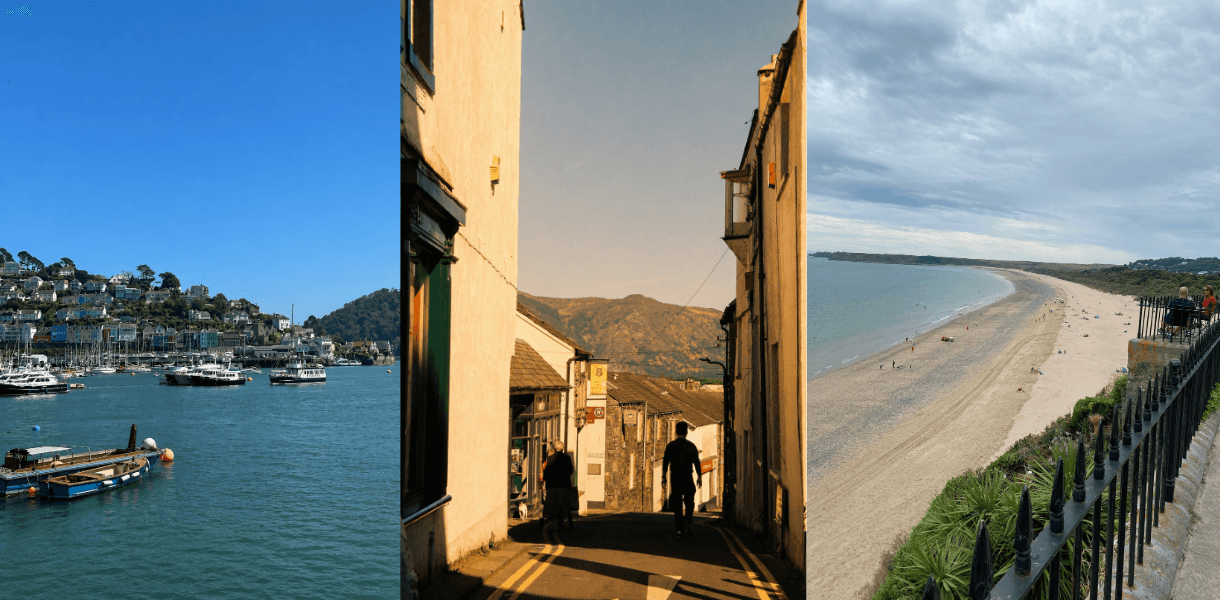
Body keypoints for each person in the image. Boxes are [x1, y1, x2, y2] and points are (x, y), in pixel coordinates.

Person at [661, 421, 702, 539]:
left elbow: (665, 462)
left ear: (676, 432)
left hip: (676, 478)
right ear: (686, 432)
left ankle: (679, 528)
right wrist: (699, 477)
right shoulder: (691, 446)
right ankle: (688, 523)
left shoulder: (671, 446)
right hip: (687, 477)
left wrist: (663, 477)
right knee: (689, 503)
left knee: (677, 504)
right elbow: (697, 462)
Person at [541, 440, 574, 532]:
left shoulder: (550, 458)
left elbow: (546, 472)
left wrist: (547, 481)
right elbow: (570, 470)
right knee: (565, 506)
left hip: (552, 486)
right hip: (564, 485)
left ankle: (555, 526)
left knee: (554, 506)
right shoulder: (567, 458)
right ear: (562, 448)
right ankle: (567, 525)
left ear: (554, 449)